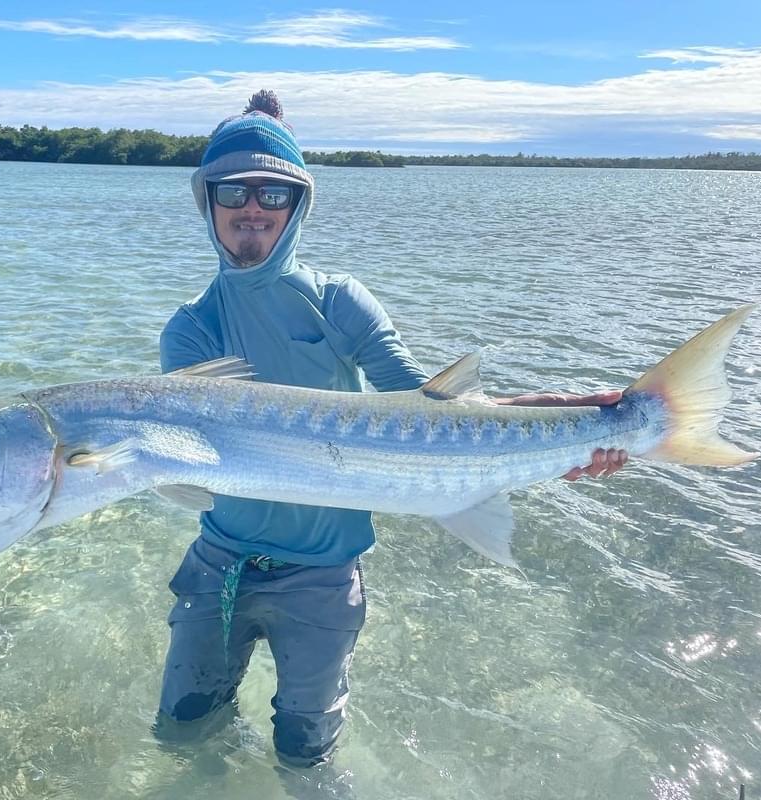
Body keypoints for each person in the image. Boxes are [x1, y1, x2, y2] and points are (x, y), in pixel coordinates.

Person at [154, 90, 627, 773]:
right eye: (233, 190)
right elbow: (198, 458)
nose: (252, 207)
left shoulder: (339, 300)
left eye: (273, 193)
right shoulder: (189, 329)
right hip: (217, 567)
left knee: (305, 749)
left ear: (297, 206)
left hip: (322, 576)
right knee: (182, 732)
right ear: (207, 202)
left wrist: (578, 419)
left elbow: (431, 414)